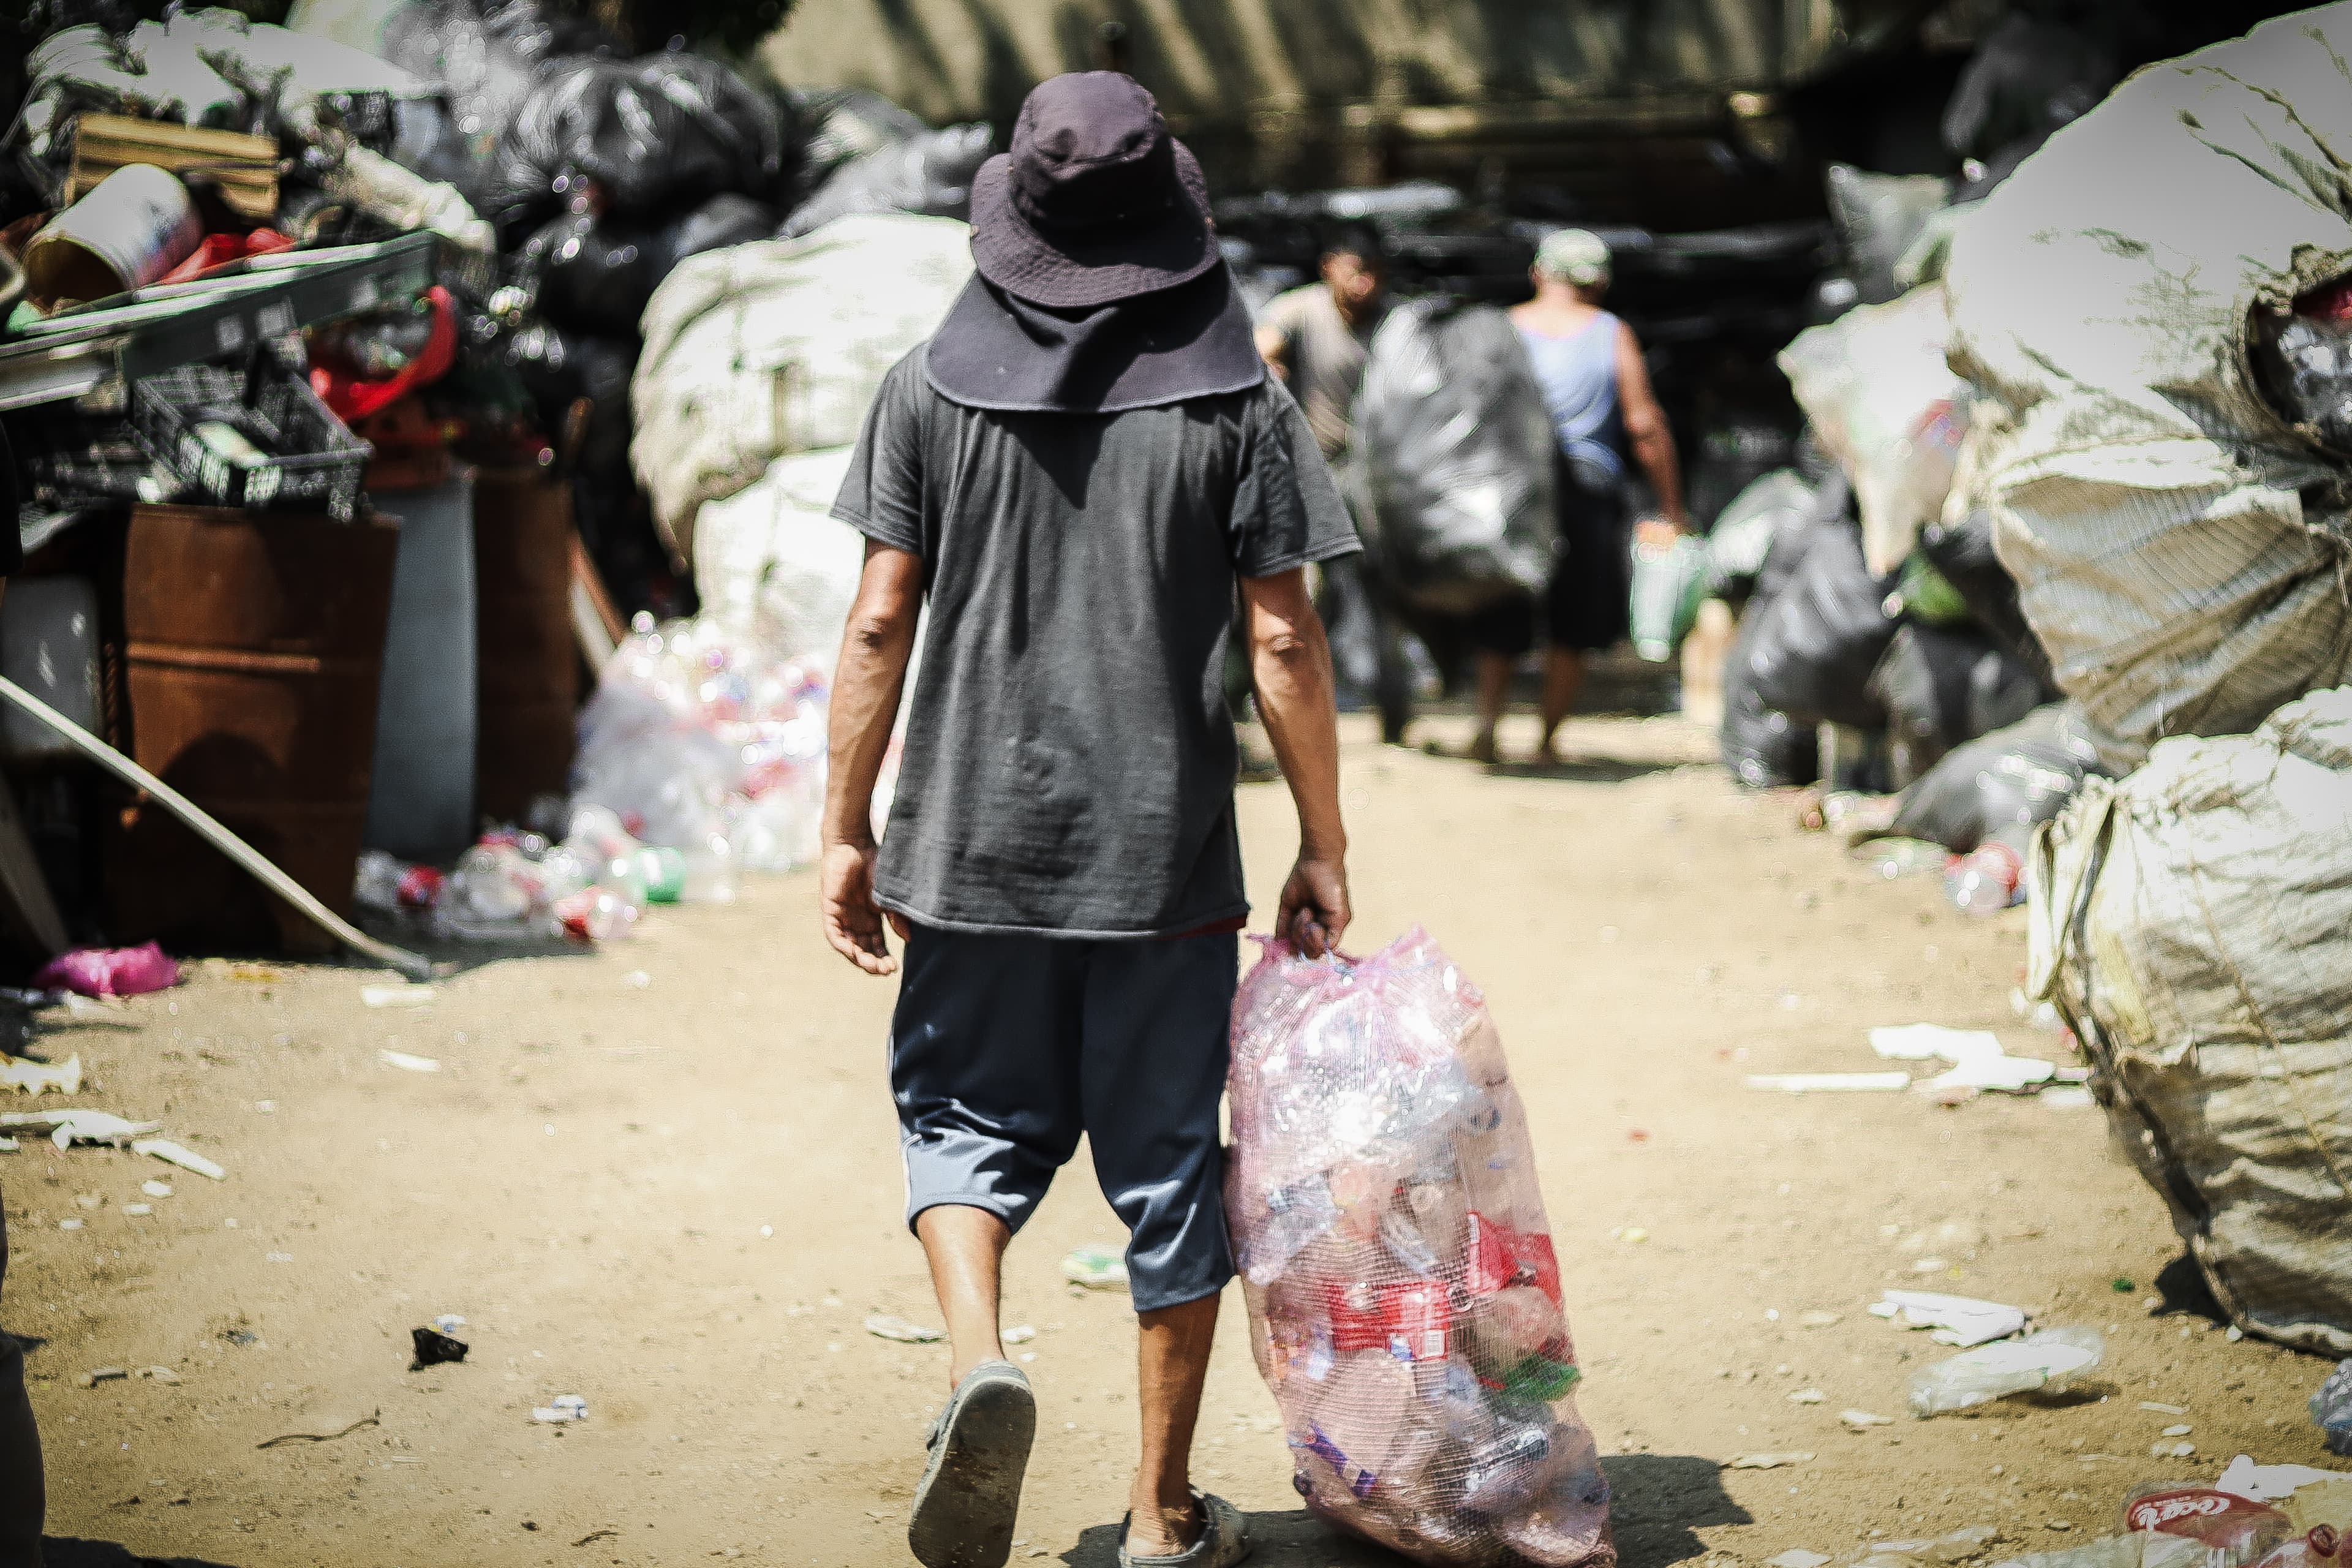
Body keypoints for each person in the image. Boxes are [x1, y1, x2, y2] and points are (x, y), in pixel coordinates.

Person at [820, 72, 1357, 1568]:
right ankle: (1158, 1509)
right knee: (1169, 1169)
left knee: (961, 1123)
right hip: (1162, 860)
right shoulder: (1236, 398)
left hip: (964, 842)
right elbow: (1283, 643)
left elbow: (876, 625)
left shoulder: (926, 387)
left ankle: (979, 1357)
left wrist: (844, 826)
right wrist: (1322, 838)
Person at [1485, 227, 1686, 766]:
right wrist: (1670, 507)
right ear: (1597, 283)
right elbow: (1643, 424)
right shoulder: (1609, 332)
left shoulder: (1501, 329)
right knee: (1573, 618)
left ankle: (1485, 730)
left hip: (1511, 493)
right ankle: (1547, 742)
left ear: (1538, 275)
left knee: (1504, 606)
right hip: (1588, 492)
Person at [1254, 227, 1412, 740]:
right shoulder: (1302, 310)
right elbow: (1263, 346)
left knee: (1384, 597)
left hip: (1379, 480)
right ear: (1329, 267)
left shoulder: (1396, 322)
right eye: (1355, 270)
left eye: (1374, 272)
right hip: (1310, 474)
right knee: (1302, 598)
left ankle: (1393, 713)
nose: (1364, 283)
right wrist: (1268, 369)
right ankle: (1294, 714)